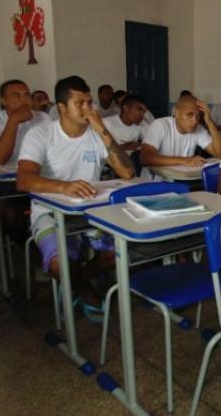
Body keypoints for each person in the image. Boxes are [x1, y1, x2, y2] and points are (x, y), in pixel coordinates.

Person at [16, 75, 134, 306]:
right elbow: (23, 180)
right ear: (61, 107)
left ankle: (78, 280)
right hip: (49, 213)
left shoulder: (96, 134)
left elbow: (127, 172)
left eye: (89, 102)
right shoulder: (41, 135)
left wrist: (103, 130)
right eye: (79, 103)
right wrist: (64, 186)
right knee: (59, 263)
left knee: (121, 254)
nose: (87, 108)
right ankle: (84, 291)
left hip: (91, 214)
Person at [140, 95, 221, 178]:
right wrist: (185, 161)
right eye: (189, 115)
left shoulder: (198, 129)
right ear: (176, 113)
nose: (195, 120)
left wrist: (209, 121)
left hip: (179, 181)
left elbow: (220, 154)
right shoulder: (160, 125)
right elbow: (145, 158)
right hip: (154, 183)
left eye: (198, 115)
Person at [0, 79, 51, 165]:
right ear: (4, 101)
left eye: (27, 95)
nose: (23, 100)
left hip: (35, 170)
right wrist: (13, 120)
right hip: (4, 174)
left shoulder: (43, 117)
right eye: (17, 95)